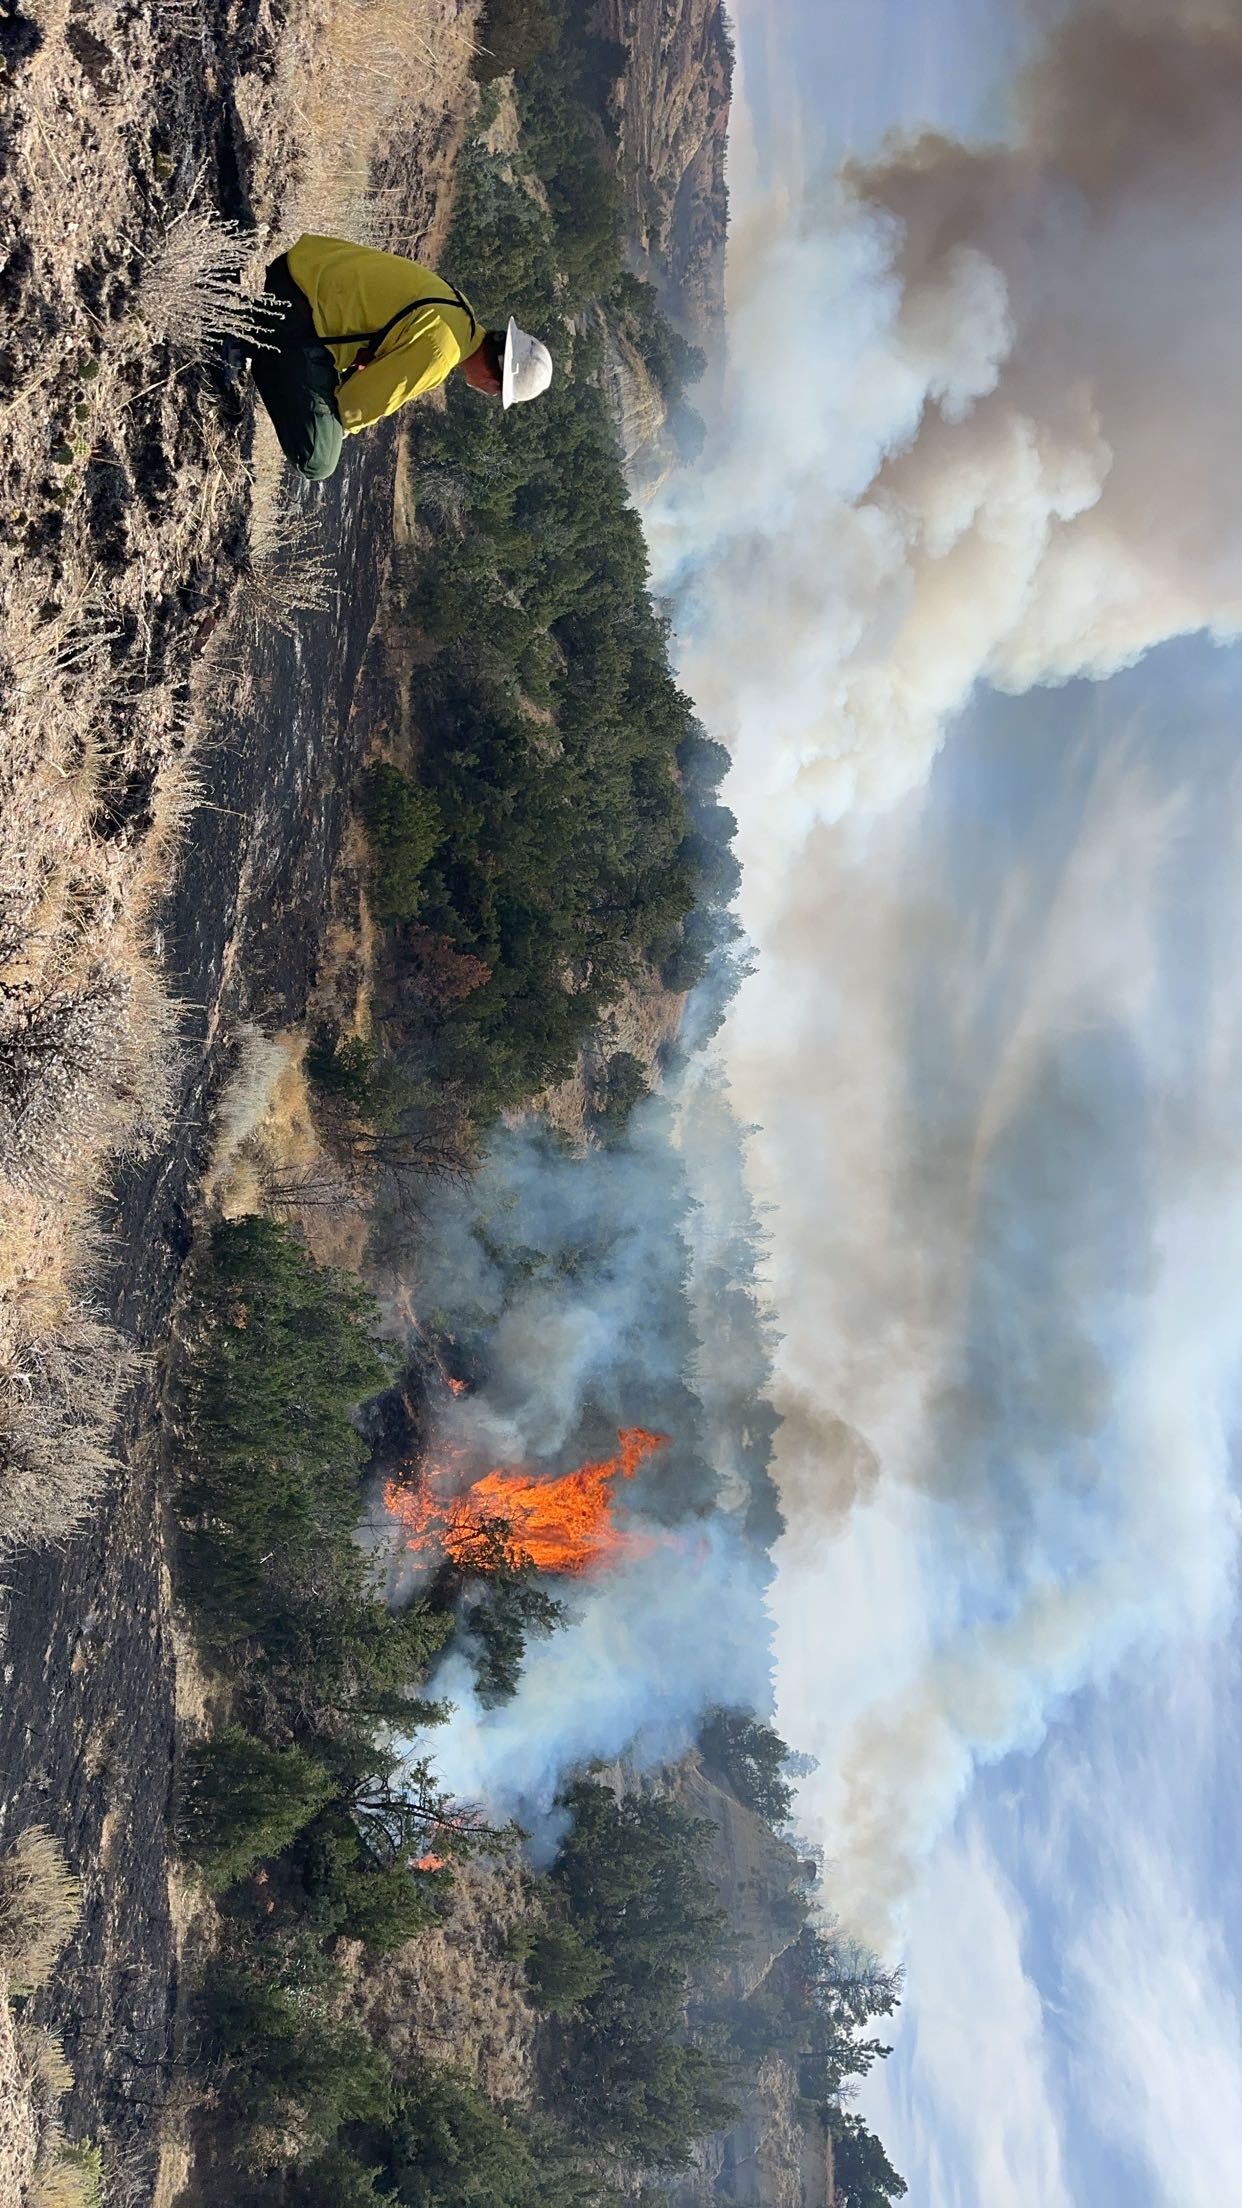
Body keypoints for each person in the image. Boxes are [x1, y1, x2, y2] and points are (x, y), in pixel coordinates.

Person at [249, 233, 553, 481]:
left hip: (300, 267)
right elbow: (352, 407)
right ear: (493, 381)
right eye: (498, 392)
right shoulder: (442, 354)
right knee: (319, 458)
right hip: (295, 311)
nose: (491, 394)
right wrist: (336, 427)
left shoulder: (461, 310)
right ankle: (257, 347)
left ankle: (263, 344)